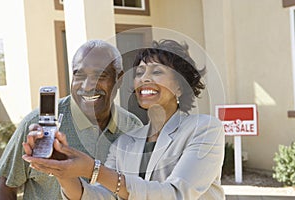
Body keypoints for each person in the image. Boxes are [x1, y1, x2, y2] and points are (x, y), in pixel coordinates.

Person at [22, 39, 225, 199]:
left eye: (156, 71)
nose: (145, 78)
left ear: (180, 86)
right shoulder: (126, 141)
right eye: (139, 72)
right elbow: (103, 196)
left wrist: (94, 169)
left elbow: (176, 194)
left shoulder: (204, 129)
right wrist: (63, 171)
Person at [0, 40, 143, 199]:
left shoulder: (133, 128)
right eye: (79, 75)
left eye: (100, 76)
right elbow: (4, 183)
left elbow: (136, 189)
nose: (87, 86)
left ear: (119, 79)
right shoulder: (36, 127)